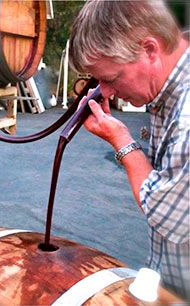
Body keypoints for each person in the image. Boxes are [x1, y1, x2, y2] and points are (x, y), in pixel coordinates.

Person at [69, 0, 189, 300]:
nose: (106, 92)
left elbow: (169, 218)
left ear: (150, 50)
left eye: (110, 79)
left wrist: (122, 140)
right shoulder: (168, 88)